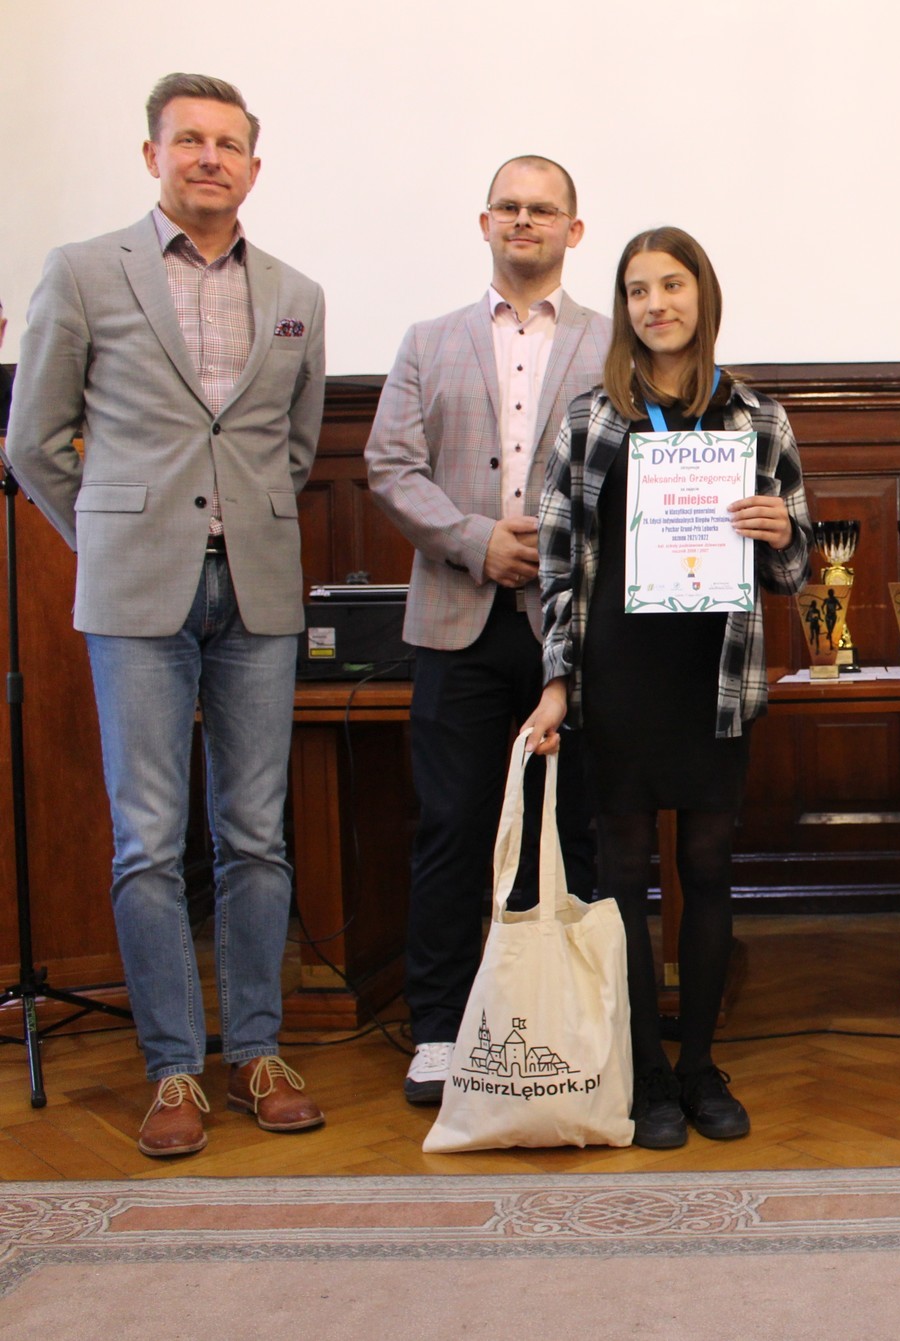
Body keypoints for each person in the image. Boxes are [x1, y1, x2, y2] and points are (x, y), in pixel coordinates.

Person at [3, 73, 327, 1157]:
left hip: (260, 589)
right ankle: (174, 1067)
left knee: (255, 833)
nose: (208, 158)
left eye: (227, 144)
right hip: (137, 590)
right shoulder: (84, 272)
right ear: (153, 155)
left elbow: (293, 446)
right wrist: (110, 536)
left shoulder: (296, 291)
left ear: (253, 167)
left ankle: (258, 1051)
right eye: (188, 140)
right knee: (148, 838)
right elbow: (34, 441)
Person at [523, 227, 812, 1148]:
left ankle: (699, 1066)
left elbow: (796, 567)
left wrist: (781, 532)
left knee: (709, 869)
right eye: (638, 289)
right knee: (621, 878)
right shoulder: (589, 418)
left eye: (673, 285)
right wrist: (558, 680)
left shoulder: (758, 417)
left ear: (703, 296)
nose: (656, 304)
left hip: (713, 678)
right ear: (624, 308)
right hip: (618, 678)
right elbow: (558, 564)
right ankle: (645, 1071)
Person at [364, 156, 609, 1105]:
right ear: (484, 223)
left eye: (543, 209)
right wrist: (477, 541)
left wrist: (552, 551)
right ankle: (438, 1028)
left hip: (572, 628)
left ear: (573, 231)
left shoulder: (612, 342)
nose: (524, 221)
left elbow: (635, 468)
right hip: (456, 620)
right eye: (508, 206)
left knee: (573, 827)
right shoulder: (429, 341)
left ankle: (571, 1018)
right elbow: (390, 464)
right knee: (452, 827)